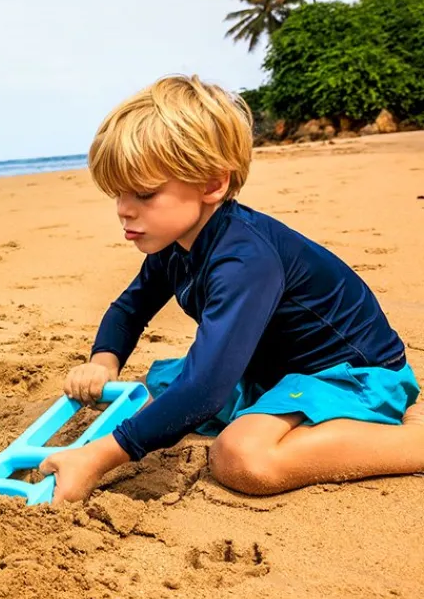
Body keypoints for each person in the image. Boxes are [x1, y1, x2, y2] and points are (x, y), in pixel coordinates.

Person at [42, 74, 422, 502]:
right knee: (155, 394)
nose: (123, 210)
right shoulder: (174, 243)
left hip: (352, 376)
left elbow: (204, 391)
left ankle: (414, 442)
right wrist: (104, 361)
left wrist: (96, 458)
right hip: (271, 371)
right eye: (116, 194)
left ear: (212, 184)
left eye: (144, 194)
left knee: (241, 458)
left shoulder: (245, 259)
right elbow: (130, 309)